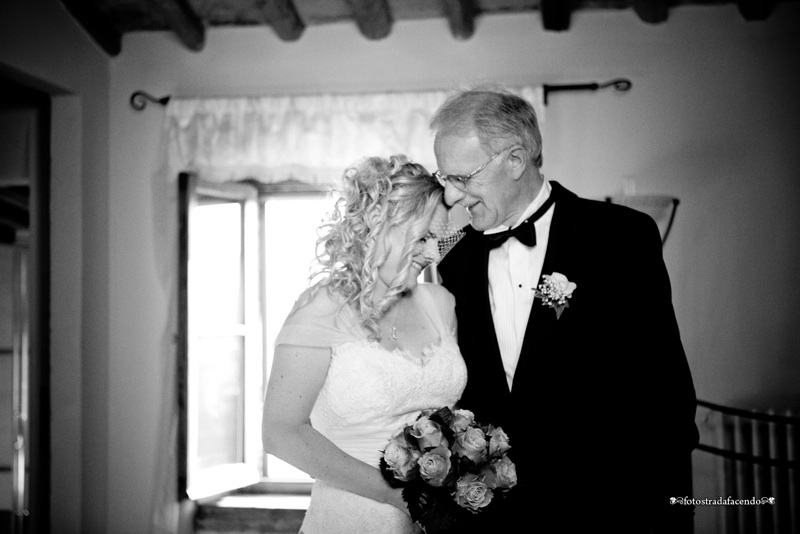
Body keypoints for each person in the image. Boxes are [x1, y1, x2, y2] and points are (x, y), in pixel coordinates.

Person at [430, 87, 699, 533]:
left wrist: (669, 509)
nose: (452, 197)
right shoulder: (454, 263)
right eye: (446, 178)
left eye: (462, 178)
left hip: (609, 509)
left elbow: (665, 388)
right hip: (503, 518)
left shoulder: (620, 237)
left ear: (515, 160)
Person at [261, 154, 467, 534]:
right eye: (423, 237)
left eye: (440, 240)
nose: (434, 253)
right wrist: (396, 497)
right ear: (379, 225)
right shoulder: (321, 307)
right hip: (349, 517)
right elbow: (280, 433)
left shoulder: (441, 303)